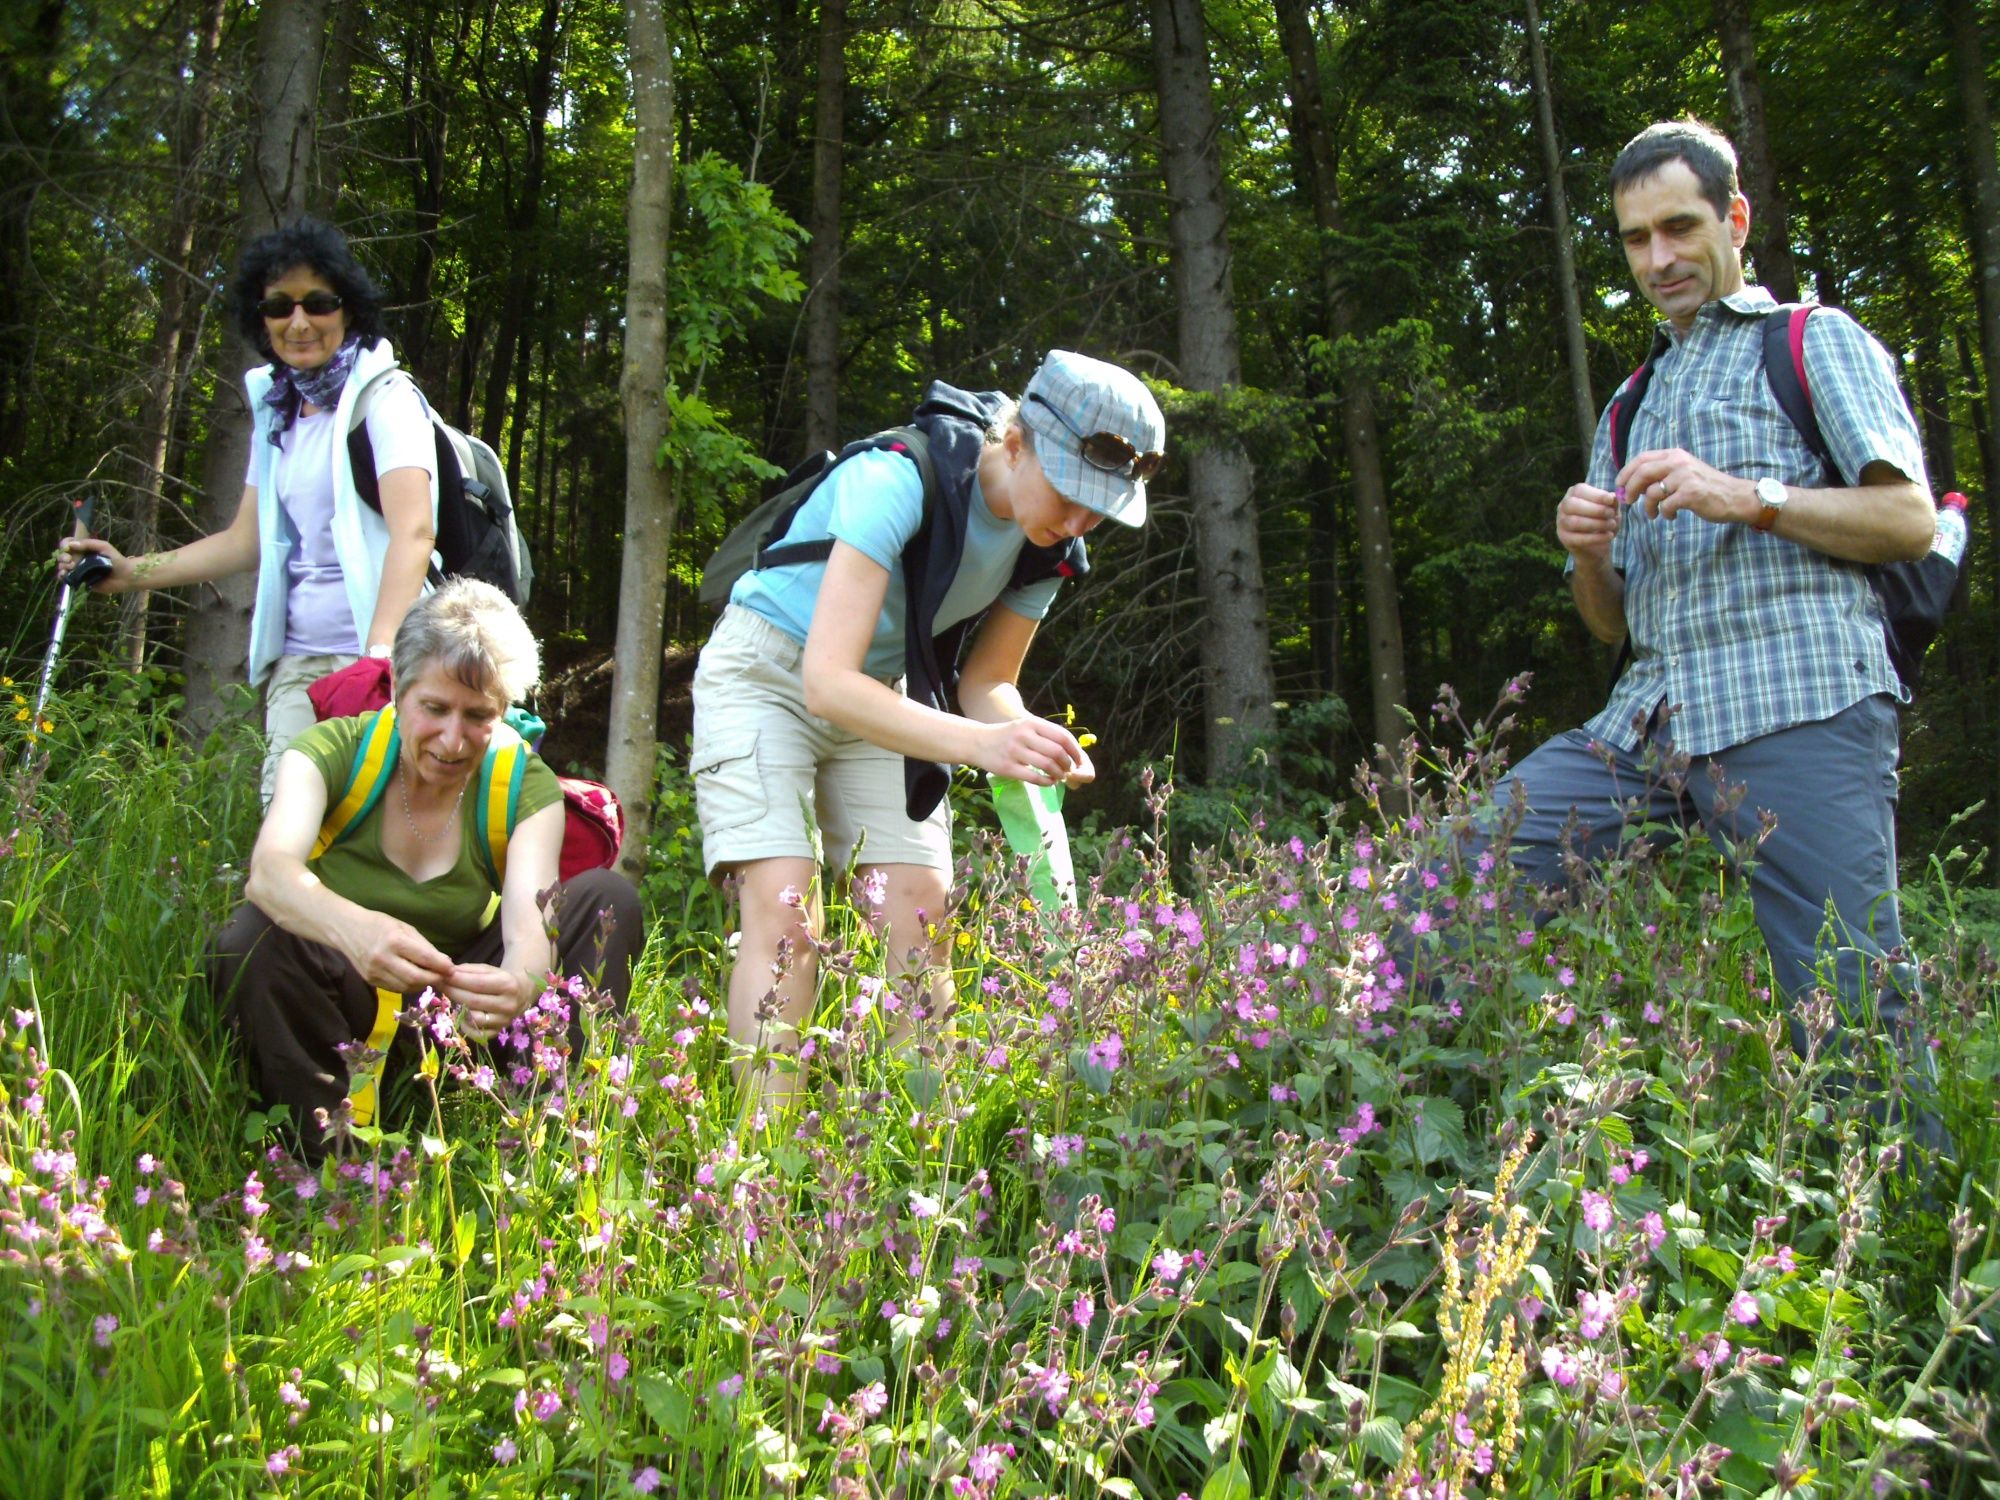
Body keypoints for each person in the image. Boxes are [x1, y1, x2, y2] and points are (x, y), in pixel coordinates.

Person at [1505, 119, 1935, 1061]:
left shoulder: (1813, 341)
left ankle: (1900, 1203)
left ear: (1734, 218)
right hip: (1644, 730)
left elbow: (1910, 521)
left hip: (1801, 703)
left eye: (1680, 227)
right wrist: (1586, 554)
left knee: (1851, 1005)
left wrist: (1748, 497)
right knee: (1467, 870)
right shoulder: (1629, 403)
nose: (1659, 259)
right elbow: (1607, 622)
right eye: (1635, 239)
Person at [692, 349, 1166, 1114]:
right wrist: (979, 744)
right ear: (1017, 442)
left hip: (881, 691)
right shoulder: (897, 479)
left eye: (1098, 510)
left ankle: (931, 1151)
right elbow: (826, 680)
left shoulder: (1051, 549)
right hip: (767, 672)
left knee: (920, 908)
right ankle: (760, 1177)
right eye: (1071, 494)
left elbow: (986, 685)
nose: (1078, 523)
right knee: (786, 910)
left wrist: (1028, 736)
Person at [209, 579, 641, 1158]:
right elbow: (270, 873)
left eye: (478, 716)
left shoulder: (521, 782)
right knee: (250, 936)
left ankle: (565, 1132)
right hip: (343, 997)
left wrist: (517, 985)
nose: (453, 739)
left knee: (606, 895)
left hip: (466, 1008)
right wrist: (357, 931)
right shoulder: (328, 751)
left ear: (505, 712)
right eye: (434, 708)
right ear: (398, 692)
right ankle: (321, 1152)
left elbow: (530, 930)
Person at [57, 217, 439, 799]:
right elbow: (245, 539)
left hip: (381, 662)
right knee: (287, 830)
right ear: (261, 319)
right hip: (298, 663)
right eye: (279, 307)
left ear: (349, 309)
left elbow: (414, 534)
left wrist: (379, 660)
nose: (299, 321)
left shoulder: (386, 401)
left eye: (318, 302)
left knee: (374, 836)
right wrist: (131, 571)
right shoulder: (278, 410)